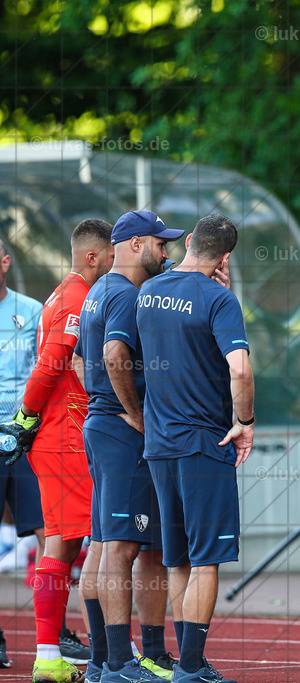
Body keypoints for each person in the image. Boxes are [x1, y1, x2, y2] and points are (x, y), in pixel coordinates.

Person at [136, 214, 254, 683]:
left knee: (178, 557)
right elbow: (240, 370)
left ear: (188, 242)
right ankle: (189, 667)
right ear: (226, 258)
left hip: (160, 444)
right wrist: (244, 422)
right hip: (204, 443)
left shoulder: (149, 291)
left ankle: (190, 662)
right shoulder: (219, 299)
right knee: (206, 559)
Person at [0, 219, 114, 683]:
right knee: (97, 544)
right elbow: (50, 364)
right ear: (92, 256)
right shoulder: (75, 296)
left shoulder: (60, 293)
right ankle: (106, 656)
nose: (114, 262)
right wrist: (25, 417)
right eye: (110, 255)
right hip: (66, 437)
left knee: (62, 544)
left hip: (62, 435)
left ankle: (53, 655)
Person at [74, 211, 184, 682]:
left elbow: (80, 360)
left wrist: (100, 404)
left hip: (104, 427)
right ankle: (118, 662)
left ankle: (114, 659)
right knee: (120, 545)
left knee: (116, 543)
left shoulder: (99, 289)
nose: (166, 251)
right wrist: (133, 413)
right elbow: (111, 355)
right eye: (161, 244)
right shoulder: (125, 293)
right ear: (137, 244)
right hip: (122, 434)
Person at [0, 236, 46, 667]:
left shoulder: (32, 311)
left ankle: (53, 635)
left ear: (5, 262)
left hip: (25, 438)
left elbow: (45, 370)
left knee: (51, 533)